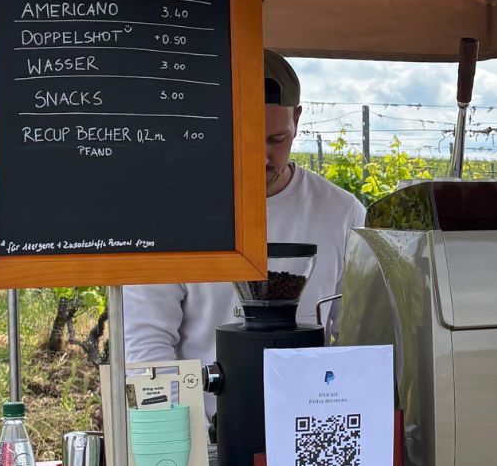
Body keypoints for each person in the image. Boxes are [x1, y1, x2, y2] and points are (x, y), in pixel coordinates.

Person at [124, 53, 366, 380]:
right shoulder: (171, 214)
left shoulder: (342, 213)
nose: (262, 158)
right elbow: (147, 341)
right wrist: (182, 428)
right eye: (246, 141)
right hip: (206, 424)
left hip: (309, 422)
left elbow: (361, 336)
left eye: (276, 140)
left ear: (296, 119)